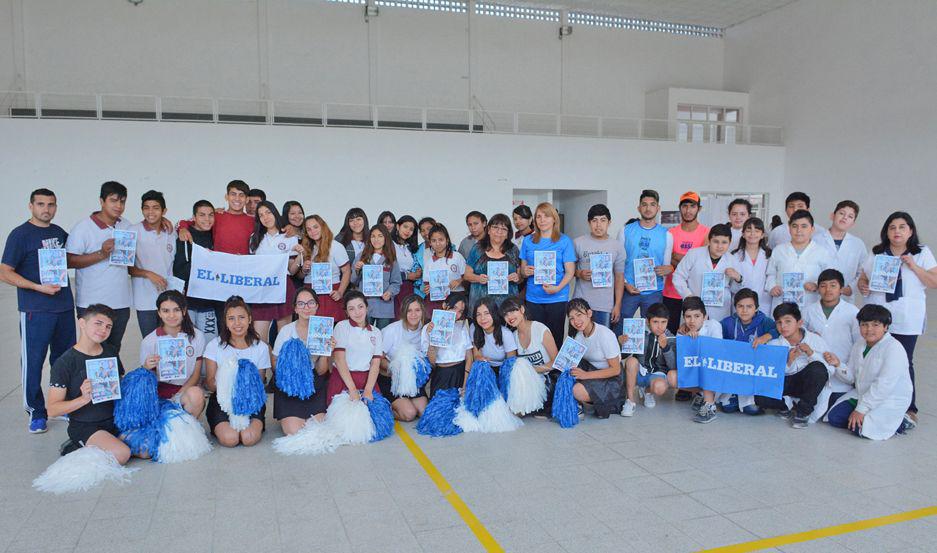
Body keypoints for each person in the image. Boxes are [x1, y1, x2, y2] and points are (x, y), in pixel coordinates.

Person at [1, 188, 76, 434]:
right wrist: (37, 287)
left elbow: (72, 259)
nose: (47, 209)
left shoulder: (58, 233)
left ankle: (61, 406)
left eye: (51, 204)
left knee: (64, 361)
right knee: (33, 362)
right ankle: (36, 411)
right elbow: (5, 272)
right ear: (31, 206)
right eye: (41, 204)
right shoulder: (20, 235)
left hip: (64, 308)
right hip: (36, 309)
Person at [858, 211, 937, 424]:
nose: (897, 231)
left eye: (902, 227)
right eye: (892, 227)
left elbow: (934, 281)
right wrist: (862, 284)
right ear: (887, 232)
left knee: (904, 361)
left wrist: (913, 266)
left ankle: (909, 407)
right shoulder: (877, 253)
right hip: (878, 316)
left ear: (910, 231)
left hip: (907, 317)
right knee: (874, 359)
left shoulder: (921, 253)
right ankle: (874, 400)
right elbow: (863, 276)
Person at [47, 304, 130, 463]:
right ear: (82, 323)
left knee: (148, 449)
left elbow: (120, 381)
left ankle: (105, 443)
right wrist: (83, 399)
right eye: (98, 323)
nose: (103, 330)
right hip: (86, 425)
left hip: (114, 420)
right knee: (122, 454)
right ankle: (75, 445)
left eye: (108, 326)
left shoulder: (110, 352)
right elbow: (52, 410)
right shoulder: (65, 362)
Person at [824, 304, 915, 440]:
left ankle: (902, 422)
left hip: (888, 398)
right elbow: (852, 377)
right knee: (835, 417)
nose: (869, 329)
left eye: (875, 325)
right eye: (864, 325)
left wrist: (860, 410)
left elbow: (884, 385)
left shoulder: (894, 348)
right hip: (863, 394)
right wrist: (838, 364)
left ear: (885, 327)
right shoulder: (860, 344)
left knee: (861, 429)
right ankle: (864, 417)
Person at [65, 181, 133, 353]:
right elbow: (69, 261)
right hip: (91, 303)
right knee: (91, 350)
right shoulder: (83, 228)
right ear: (102, 201)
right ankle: (87, 382)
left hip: (120, 302)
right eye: (113, 200)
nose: (118, 206)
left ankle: (111, 381)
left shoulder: (126, 225)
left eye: (122, 201)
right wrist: (101, 253)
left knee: (113, 350)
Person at [204, 296, 270, 447]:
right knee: (230, 439)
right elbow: (210, 384)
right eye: (231, 318)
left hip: (251, 401)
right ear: (226, 322)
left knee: (248, 438)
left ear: (249, 319)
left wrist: (243, 384)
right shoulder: (215, 345)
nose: (237, 323)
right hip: (222, 402)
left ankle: (256, 422)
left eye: (241, 317)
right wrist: (229, 380)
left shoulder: (260, 347)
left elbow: (259, 383)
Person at [757, 303, 831, 429]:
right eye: (779, 322)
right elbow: (770, 374)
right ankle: (784, 406)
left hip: (806, 384)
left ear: (799, 322)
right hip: (785, 383)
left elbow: (829, 370)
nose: (783, 326)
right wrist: (789, 362)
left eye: (788, 321)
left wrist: (811, 354)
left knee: (818, 368)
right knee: (760, 395)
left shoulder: (815, 340)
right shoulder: (773, 344)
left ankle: (803, 412)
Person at [271, 288, 332, 435]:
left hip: (314, 384)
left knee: (317, 430)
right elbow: (274, 363)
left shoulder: (324, 329)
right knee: (295, 432)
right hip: (289, 387)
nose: (306, 307)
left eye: (311, 303)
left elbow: (321, 371)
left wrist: (325, 351)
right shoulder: (286, 331)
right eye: (301, 304)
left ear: (317, 305)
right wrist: (291, 372)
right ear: (295, 308)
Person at [139, 290, 206, 418]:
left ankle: (192, 426)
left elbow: (196, 374)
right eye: (165, 311)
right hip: (159, 392)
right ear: (159, 313)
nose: (171, 315)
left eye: (176, 310)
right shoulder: (149, 341)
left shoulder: (197, 337)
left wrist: (177, 397)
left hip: (185, 389)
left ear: (184, 311)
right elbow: (146, 381)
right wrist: (146, 368)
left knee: (196, 394)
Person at [519, 202, 577, 346]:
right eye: (538, 217)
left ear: (554, 219)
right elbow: (522, 270)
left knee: (555, 336)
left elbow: (570, 272)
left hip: (557, 297)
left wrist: (557, 288)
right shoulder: (528, 241)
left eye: (546, 216)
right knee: (536, 337)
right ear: (534, 220)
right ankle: (538, 368)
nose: (542, 220)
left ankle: (554, 368)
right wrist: (525, 272)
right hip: (533, 298)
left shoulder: (565, 241)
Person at [804, 269, 860, 407]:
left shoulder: (852, 312)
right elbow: (800, 335)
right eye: (823, 285)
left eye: (833, 285)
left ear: (841, 289)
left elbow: (859, 342)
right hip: (816, 370)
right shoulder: (808, 311)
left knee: (835, 406)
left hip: (843, 374)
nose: (828, 289)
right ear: (818, 289)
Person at [616, 189, 673, 324]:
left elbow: (666, 266)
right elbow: (618, 263)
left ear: (658, 208)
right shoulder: (625, 230)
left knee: (651, 330)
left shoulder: (666, 235)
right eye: (644, 204)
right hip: (629, 289)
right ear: (639, 207)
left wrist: (668, 269)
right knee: (620, 327)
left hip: (654, 292)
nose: (648, 208)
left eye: (652, 204)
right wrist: (625, 284)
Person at [248, 201, 302, 340]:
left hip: (283, 286)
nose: (265, 217)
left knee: (284, 336)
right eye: (261, 215)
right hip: (262, 289)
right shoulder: (255, 238)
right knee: (259, 337)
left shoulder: (289, 236)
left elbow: (292, 269)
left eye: (268, 212)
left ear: (275, 213)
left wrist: (300, 255)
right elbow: (252, 266)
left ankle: (281, 362)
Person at [718, 288, 776, 415]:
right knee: (727, 408)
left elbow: (778, 329)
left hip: (753, 372)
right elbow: (712, 330)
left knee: (752, 410)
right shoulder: (728, 322)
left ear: (756, 308)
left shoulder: (764, 321)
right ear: (735, 307)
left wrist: (766, 336)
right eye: (740, 306)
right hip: (732, 370)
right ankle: (734, 395)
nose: (744, 310)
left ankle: (749, 398)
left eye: (749, 306)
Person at [672, 224, 743, 324]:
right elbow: (678, 277)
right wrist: (688, 296)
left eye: (724, 242)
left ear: (729, 243)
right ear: (709, 240)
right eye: (716, 241)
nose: (720, 246)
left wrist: (738, 278)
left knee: (717, 336)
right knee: (692, 336)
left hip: (720, 311)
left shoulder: (732, 260)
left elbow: (735, 290)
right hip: (694, 308)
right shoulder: (694, 254)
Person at [501, 296, 558, 418]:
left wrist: (533, 370)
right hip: (527, 381)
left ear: (522, 310)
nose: (509, 317)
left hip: (547, 378)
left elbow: (557, 361)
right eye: (506, 314)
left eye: (512, 311)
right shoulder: (513, 336)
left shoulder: (540, 329)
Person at [566, 299, 624, 419]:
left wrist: (585, 375)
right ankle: (579, 403)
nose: (576, 321)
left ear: (589, 313)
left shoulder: (605, 334)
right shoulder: (578, 336)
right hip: (592, 371)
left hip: (612, 379)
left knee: (577, 390)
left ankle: (596, 402)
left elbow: (615, 370)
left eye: (579, 315)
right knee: (566, 372)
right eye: (571, 318)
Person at [129, 190, 176, 337]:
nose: (150, 212)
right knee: (150, 342)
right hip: (145, 299)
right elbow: (126, 267)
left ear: (164, 211)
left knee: (170, 343)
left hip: (170, 299)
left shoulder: (171, 232)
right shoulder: (132, 231)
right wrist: (148, 274)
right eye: (146, 207)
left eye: (155, 208)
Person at [662, 191, 710, 335]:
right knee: (670, 334)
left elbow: (702, 261)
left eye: (692, 206)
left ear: (699, 209)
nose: (688, 210)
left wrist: (678, 258)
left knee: (694, 334)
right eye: (684, 206)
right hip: (671, 292)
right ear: (680, 208)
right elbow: (668, 258)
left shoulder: (707, 232)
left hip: (694, 294)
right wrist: (690, 259)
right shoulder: (671, 232)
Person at [572, 204, 626, 329]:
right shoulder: (578, 243)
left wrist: (617, 305)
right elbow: (569, 270)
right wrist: (579, 273)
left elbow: (619, 277)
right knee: (578, 343)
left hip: (604, 304)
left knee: (601, 343)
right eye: (594, 221)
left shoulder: (616, 246)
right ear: (589, 222)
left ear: (609, 222)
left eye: (603, 220)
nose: (598, 225)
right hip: (580, 304)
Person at [765, 210, 829, 312]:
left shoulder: (822, 252)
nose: (799, 230)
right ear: (789, 229)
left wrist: (817, 284)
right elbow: (771, 273)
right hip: (782, 303)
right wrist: (772, 287)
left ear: (812, 229)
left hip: (810, 303)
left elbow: (828, 277)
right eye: (795, 226)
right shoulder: (779, 250)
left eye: (804, 226)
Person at [173, 200, 219, 341]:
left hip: (210, 302)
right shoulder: (185, 235)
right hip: (189, 302)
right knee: (190, 343)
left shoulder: (216, 234)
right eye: (202, 215)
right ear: (194, 217)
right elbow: (180, 270)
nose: (207, 219)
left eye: (211, 215)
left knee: (210, 343)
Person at [378, 295, 428, 421]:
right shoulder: (392, 330)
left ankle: (407, 401)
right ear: (404, 312)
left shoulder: (426, 330)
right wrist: (395, 368)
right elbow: (378, 358)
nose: (413, 314)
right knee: (409, 413)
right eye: (409, 311)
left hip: (413, 381)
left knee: (423, 411)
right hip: (390, 380)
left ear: (422, 311)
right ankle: (383, 409)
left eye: (417, 310)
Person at [621, 303, 676, 417]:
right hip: (638, 371)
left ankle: (647, 391)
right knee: (631, 361)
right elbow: (623, 357)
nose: (659, 326)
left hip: (657, 374)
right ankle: (630, 401)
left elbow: (672, 367)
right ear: (647, 321)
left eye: (663, 322)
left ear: (667, 321)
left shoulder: (670, 337)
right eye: (655, 322)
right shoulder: (638, 332)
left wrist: (665, 348)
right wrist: (622, 344)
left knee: (660, 387)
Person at [328, 290, 383, 404]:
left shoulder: (376, 332)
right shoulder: (341, 327)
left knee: (377, 417)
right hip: (344, 380)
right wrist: (352, 390)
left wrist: (368, 390)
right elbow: (339, 360)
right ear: (347, 312)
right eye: (351, 309)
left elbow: (375, 364)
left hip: (367, 381)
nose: (357, 312)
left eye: (360, 307)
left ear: (366, 307)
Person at [676, 297, 724, 423]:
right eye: (688, 316)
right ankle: (702, 395)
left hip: (714, 371)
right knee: (671, 377)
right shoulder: (682, 333)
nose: (692, 321)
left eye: (697, 316)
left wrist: (698, 340)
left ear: (705, 316)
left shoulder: (714, 325)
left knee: (706, 362)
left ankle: (710, 406)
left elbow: (716, 353)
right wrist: (687, 341)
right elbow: (682, 362)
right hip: (695, 372)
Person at [463, 213, 521, 311]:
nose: (499, 232)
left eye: (504, 229)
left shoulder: (513, 250)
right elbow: (467, 275)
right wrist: (478, 278)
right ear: (489, 230)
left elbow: (520, 277)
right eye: (495, 227)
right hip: (481, 306)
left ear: (508, 234)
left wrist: (517, 277)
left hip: (508, 306)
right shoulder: (477, 248)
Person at [179, 180, 253, 255]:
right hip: (218, 264)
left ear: (247, 199)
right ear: (226, 197)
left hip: (243, 264)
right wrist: (183, 228)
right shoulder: (216, 215)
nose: (237, 198)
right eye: (233, 194)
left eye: (241, 195)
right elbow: (188, 222)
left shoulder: (253, 220)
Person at [813, 200, 867, 303]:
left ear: (853, 223)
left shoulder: (858, 244)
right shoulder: (816, 240)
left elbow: (863, 270)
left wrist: (851, 288)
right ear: (832, 216)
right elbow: (809, 266)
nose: (845, 217)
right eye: (841, 213)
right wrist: (816, 284)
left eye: (850, 216)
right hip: (819, 295)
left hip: (845, 296)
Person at [421, 292, 473, 395]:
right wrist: (433, 339)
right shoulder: (428, 328)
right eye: (454, 308)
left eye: (460, 311)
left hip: (461, 371)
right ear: (445, 305)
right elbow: (432, 362)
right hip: (442, 373)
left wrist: (465, 383)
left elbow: (469, 357)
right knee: (440, 407)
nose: (456, 314)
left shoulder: (462, 327)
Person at [300, 215, 350, 322]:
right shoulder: (306, 247)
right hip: (310, 293)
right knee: (311, 331)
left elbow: (346, 271)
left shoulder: (336, 246)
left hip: (331, 293)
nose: (313, 231)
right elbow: (300, 276)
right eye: (309, 229)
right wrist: (304, 269)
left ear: (323, 226)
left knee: (332, 330)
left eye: (315, 227)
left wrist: (340, 292)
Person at [351, 225, 401, 329]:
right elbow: (353, 280)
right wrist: (357, 269)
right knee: (363, 334)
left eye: (380, 236)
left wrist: (390, 292)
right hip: (365, 305)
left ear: (385, 238)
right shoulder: (361, 256)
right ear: (369, 238)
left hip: (384, 305)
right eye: (373, 236)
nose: (376, 239)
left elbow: (396, 282)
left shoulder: (391, 259)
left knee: (383, 336)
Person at [418, 224, 465, 315]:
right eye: (434, 240)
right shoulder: (429, 262)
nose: (438, 243)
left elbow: (466, 277)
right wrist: (427, 289)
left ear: (447, 240)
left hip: (457, 298)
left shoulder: (457, 257)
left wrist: (459, 280)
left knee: (456, 325)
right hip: (437, 301)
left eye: (441, 240)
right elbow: (426, 284)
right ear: (430, 243)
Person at [731, 217, 772, 316]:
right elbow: (731, 284)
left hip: (764, 302)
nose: (752, 234)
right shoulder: (734, 255)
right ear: (743, 234)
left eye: (757, 231)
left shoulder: (769, 255)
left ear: (762, 235)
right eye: (749, 230)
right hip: (741, 303)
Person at [766, 192, 830, 250]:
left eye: (800, 206)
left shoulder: (821, 232)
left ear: (808, 209)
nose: (795, 210)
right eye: (791, 206)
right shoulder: (777, 232)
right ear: (786, 210)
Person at [470, 297, 517, 372]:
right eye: (478, 314)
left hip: (504, 368)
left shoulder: (506, 333)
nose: (482, 318)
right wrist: (482, 360)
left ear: (494, 313)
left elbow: (511, 362)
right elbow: (476, 355)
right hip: (485, 367)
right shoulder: (474, 328)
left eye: (487, 313)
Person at [391, 215, 420, 316]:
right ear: (398, 226)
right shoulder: (389, 244)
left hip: (408, 288)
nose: (408, 231)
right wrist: (407, 276)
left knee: (407, 317)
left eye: (411, 229)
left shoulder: (409, 248)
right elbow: (386, 270)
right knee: (396, 318)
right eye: (405, 226)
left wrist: (418, 273)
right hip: (394, 287)